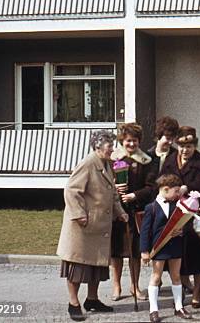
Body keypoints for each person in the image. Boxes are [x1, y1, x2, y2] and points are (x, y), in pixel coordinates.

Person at [56, 130, 128, 322]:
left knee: (96, 265)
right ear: (97, 146)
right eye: (109, 146)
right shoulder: (88, 163)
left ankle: (92, 299)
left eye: (112, 146)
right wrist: (79, 214)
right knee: (77, 266)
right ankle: (73, 303)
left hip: (99, 226)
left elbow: (112, 193)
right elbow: (71, 190)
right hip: (83, 226)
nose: (112, 149)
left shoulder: (106, 164)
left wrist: (120, 212)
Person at [161, 126, 200, 308]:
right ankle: (182, 286)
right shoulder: (169, 160)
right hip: (174, 213)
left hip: (196, 214)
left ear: (195, 146)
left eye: (189, 146)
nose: (185, 150)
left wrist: (185, 188)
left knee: (199, 254)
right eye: (182, 146)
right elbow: (162, 181)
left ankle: (197, 291)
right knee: (177, 252)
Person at [109, 123, 155, 302]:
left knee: (135, 251)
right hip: (116, 212)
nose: (131, 144)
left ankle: (135, 286)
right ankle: (116, 286)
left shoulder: (146, 161)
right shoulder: (113, 159)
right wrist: (115, 187)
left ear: (139, 141)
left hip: (136, 211)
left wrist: (134, 195)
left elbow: (151, 188)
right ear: (122, 141)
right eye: (128, 141)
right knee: (117, 251)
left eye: (134, 141)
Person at [140, 174, 192, 323]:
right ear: (165, 189)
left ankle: (179, 307)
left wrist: (182, 231)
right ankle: (153, 309)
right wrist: (144, 251)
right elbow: (145, 231)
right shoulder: (151, 208)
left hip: (175, 245)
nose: (178, 194)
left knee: (176, 276)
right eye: (176, 191)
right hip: (159, 247)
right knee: (156, 277)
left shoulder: (177, 205)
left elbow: (185, 222)